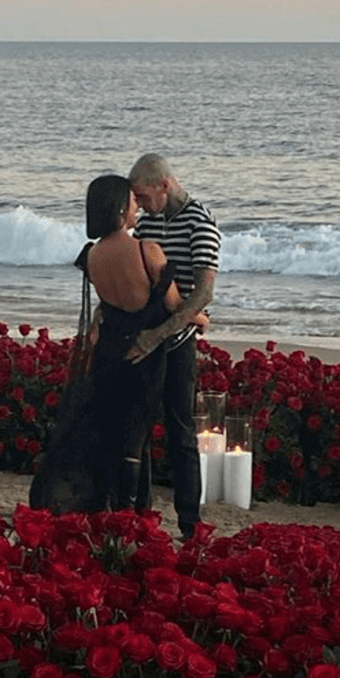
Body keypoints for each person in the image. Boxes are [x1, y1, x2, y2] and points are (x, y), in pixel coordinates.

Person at [29, 175, 204, 514]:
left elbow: (108, 308)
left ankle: (113, 507)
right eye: (132, 201)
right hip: (145, 357)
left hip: (111, 353)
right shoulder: (147, 250)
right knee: (136, 439)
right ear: (122, 208)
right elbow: (175, 306)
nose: (137, 205)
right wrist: (202, 318)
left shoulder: (92, 256)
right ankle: (129, 511)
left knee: (117, 433)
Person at [127, 153, 221, 539]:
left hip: (177, 340)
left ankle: (189, 520)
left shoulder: (201, 222)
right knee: (140, 430)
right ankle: (141, 513)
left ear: (165, 186)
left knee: (181, 432)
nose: (140, 206)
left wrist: (158, 335)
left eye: (144, 197)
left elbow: (203, 295)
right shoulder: (147, 221)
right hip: (146, 335)